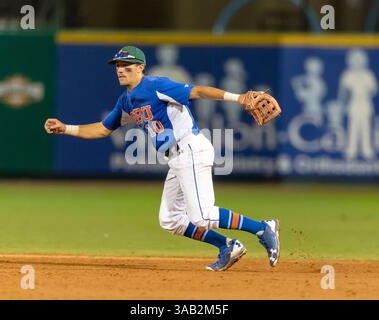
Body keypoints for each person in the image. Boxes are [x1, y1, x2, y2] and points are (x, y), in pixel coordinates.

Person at [44, 46, 280, 271]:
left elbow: (197, 91)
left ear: (141, 68)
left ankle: (263, 228)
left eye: (126, 65)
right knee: (171, 219)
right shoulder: (126, 101)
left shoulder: (156, 85)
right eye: (117, 65)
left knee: (203, 215)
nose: (120, 69)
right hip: (176, 158)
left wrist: (238, 98)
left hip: (191, 149)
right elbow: (103, 129)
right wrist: (66, 128)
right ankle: (227, 246)